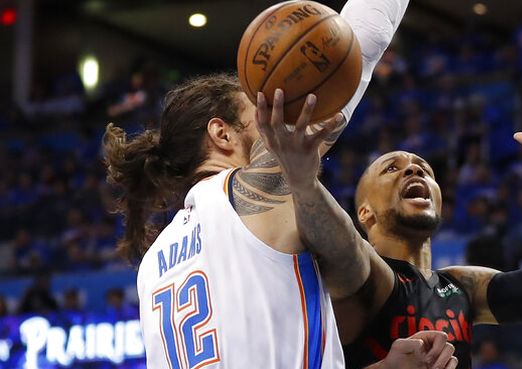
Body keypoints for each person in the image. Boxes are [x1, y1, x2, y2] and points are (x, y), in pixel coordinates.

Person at [102, 0, 459, 368]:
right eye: (260, 110)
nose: (280, 116)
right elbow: (359, 44)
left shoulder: (154, 264)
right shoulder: (252, 191)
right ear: (222, 133)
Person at [256, 82, 522, 368]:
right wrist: (304, 182)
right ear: (364, 213)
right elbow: (342, 245)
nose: (413, 169)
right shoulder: (366, 275)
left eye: (424, 168)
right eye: (392, 168)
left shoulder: (463, 286)